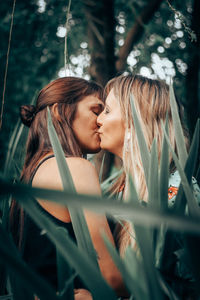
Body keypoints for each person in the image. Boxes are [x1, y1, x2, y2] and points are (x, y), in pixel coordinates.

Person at [10, 76, 126, 299]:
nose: (101, 120)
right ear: (58, 112)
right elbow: (111, 278)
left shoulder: (30, 174)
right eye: (95, 110)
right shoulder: (75, 168)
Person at [97, 74, 200, 298]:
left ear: (136, 120)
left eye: (107, 110)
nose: (98, 120)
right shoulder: (110, 189)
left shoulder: (182, 196)